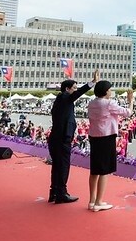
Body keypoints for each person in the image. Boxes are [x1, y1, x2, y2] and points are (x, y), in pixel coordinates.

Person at [48, 70, 98, 204]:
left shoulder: (61, 101)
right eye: (74, 88)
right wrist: (92, 83)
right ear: (67, 89)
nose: (75, 91)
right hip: (62, 139)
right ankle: (61, 194)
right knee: (63, 166)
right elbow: (77, 94)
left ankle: (54, 192)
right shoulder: (64, 97)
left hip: (56, 138)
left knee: (57, 166)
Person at [86, 80, 133, 212]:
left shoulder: (92, 102)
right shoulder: (108, 103)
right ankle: (98, 202)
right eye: (110, 89)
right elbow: (127, 112)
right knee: (104, 170)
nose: (111, 91)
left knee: (95, 170)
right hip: (106, 137)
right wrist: (131, 101)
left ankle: (92, 200)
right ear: (106, 91)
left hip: (94, 137)